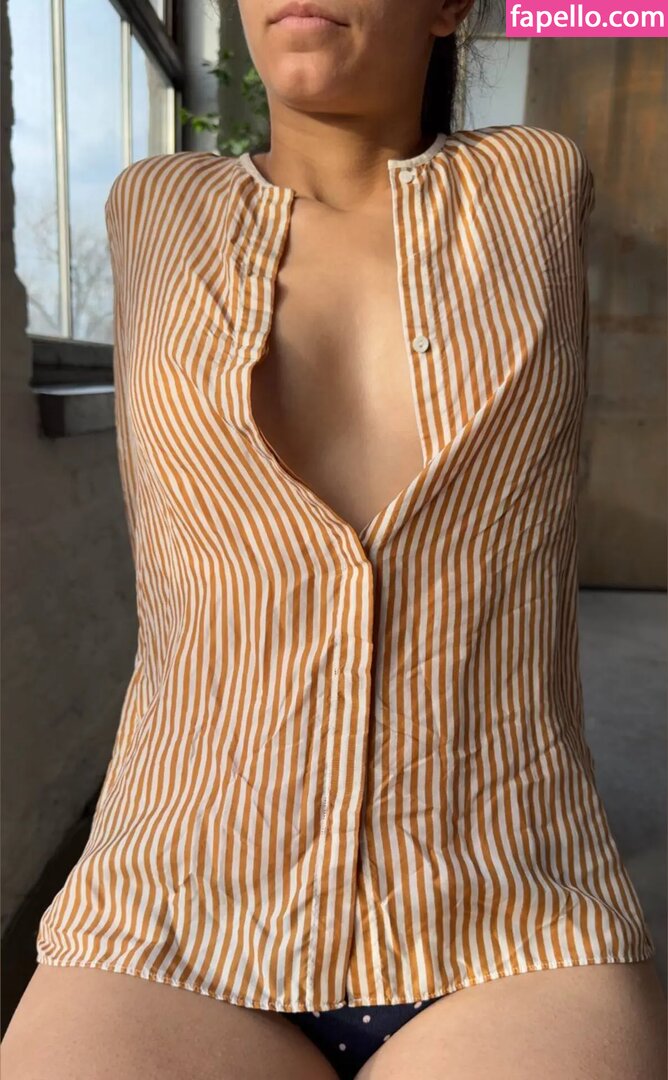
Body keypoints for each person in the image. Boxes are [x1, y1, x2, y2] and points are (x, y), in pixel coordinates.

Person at [3, 1, 666, 1078]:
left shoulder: (535, 184)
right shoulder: (157, 206)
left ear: (449, 6)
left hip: (512, 905)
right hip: (174, 903)